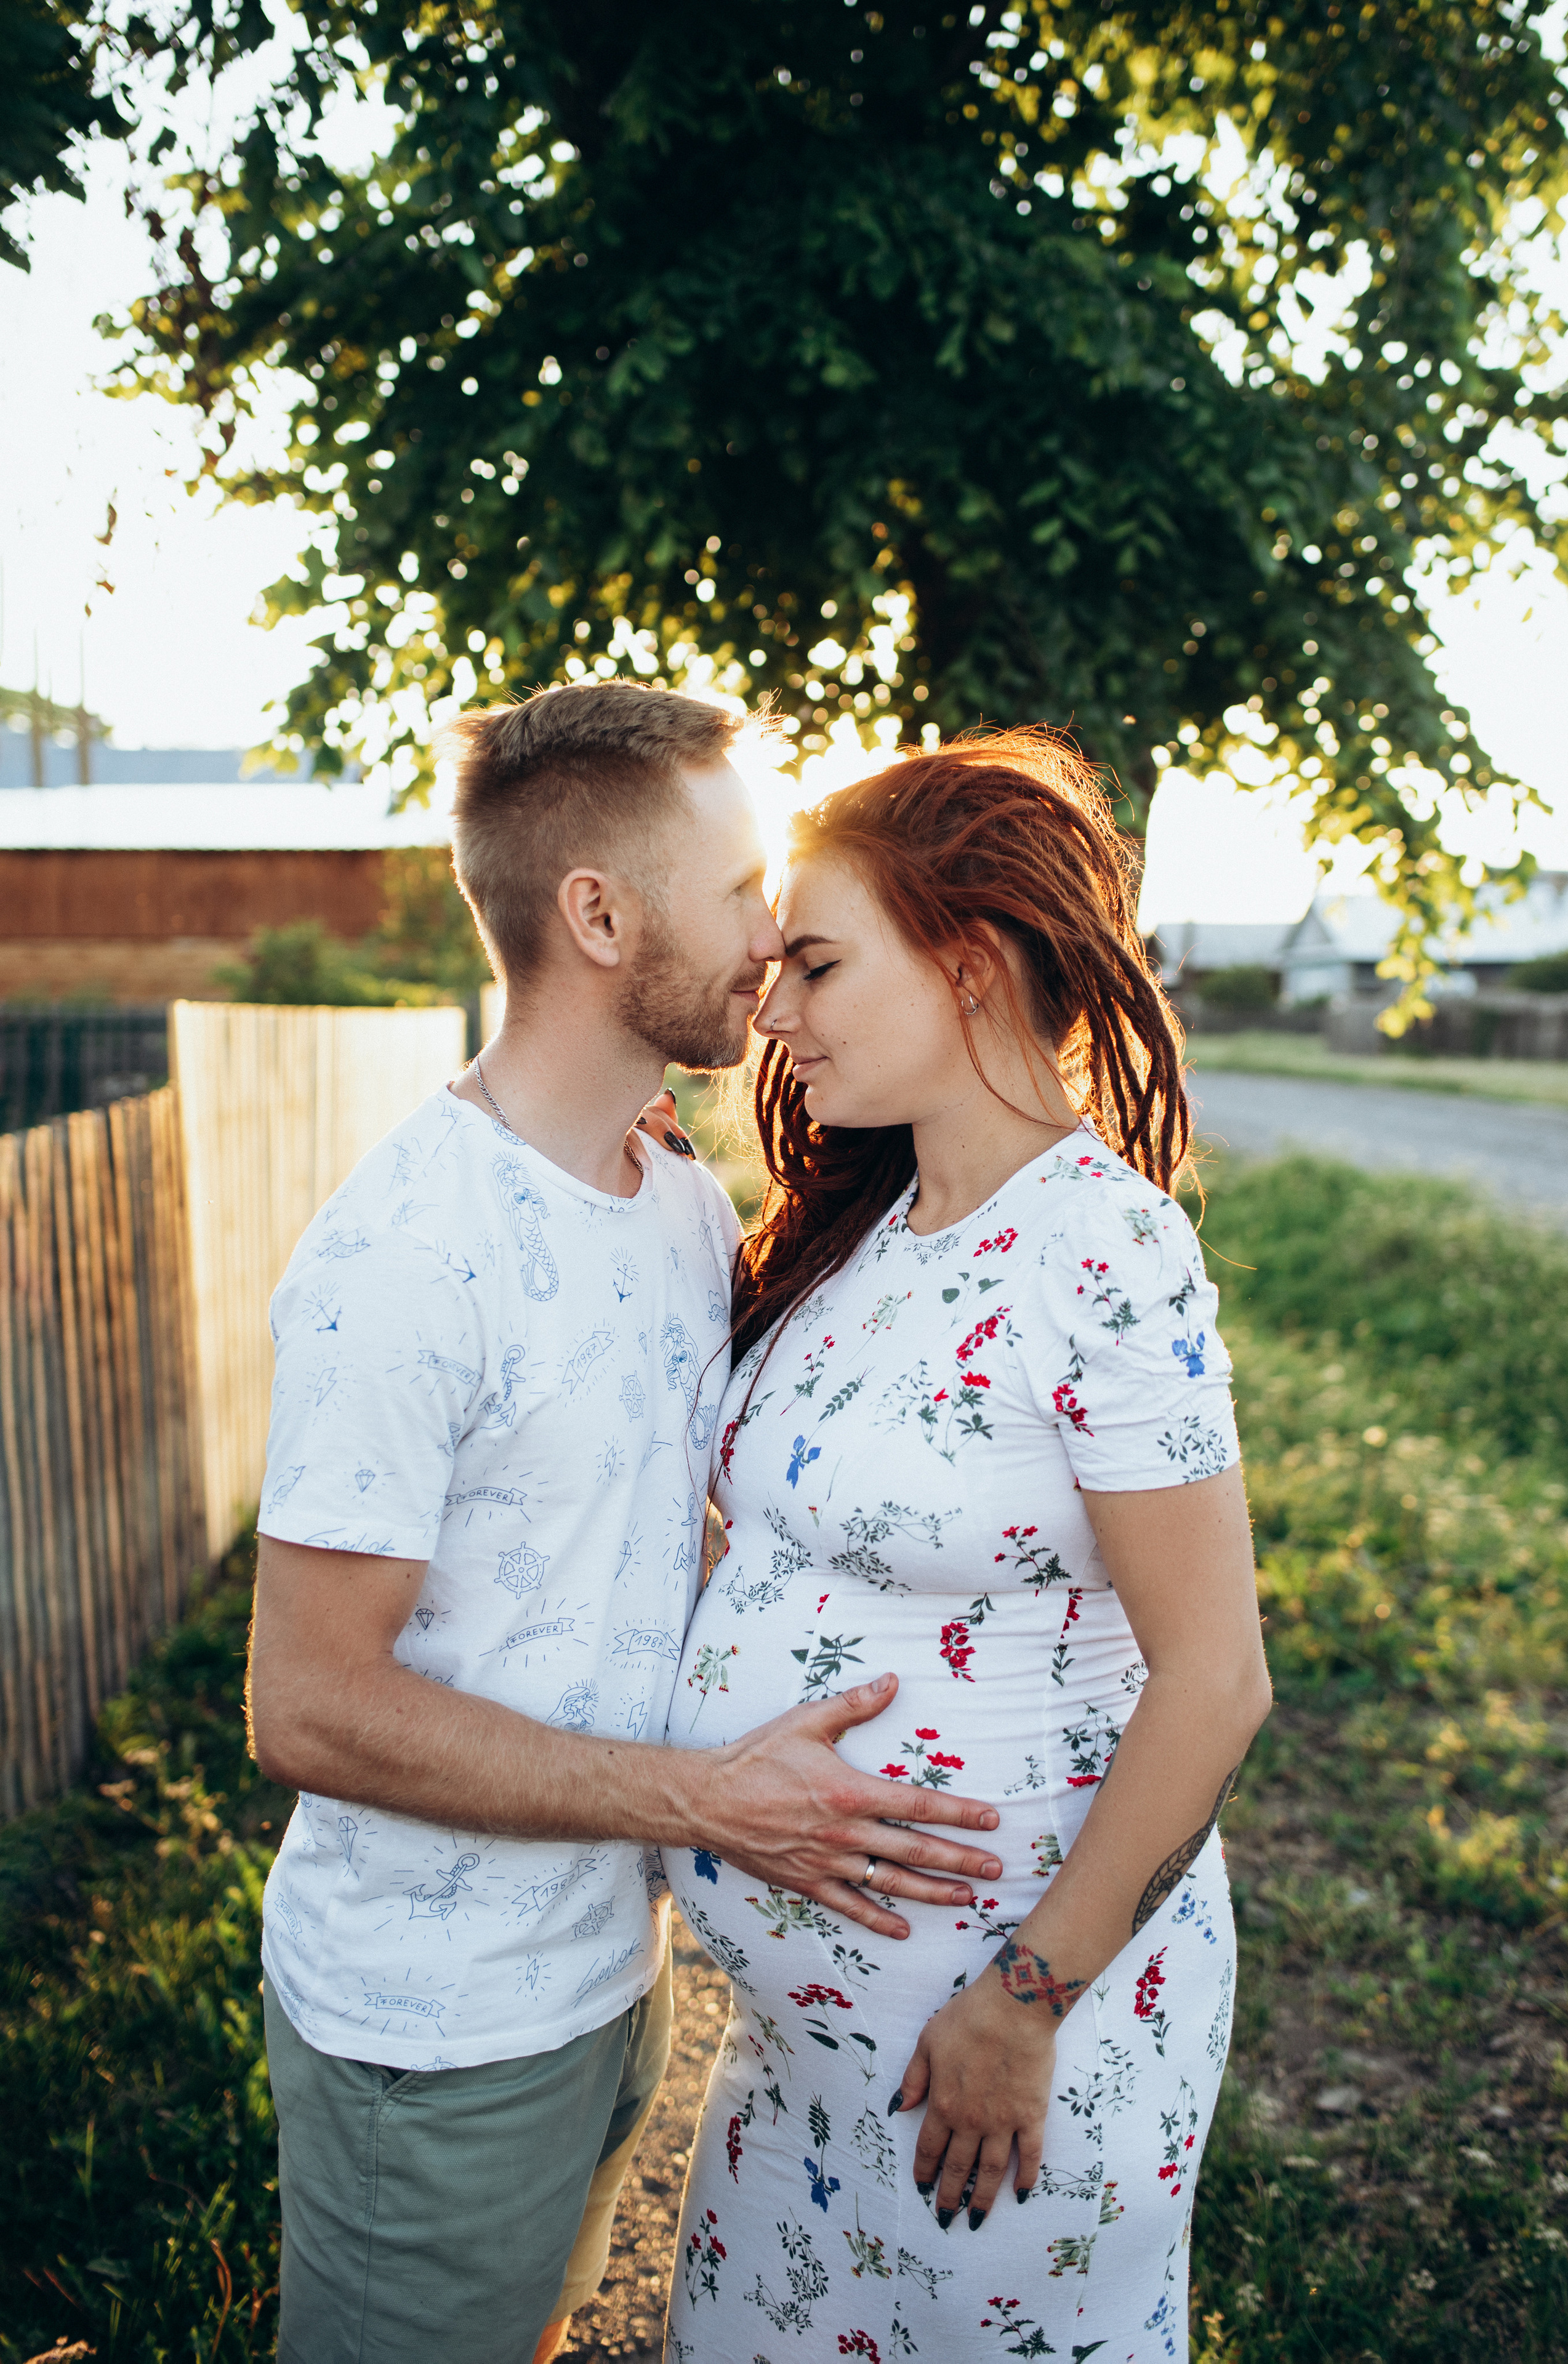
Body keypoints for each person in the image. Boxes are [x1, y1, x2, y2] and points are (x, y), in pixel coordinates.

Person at [246, 681, 1005, 2364]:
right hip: (433, 2035)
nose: (775, 927)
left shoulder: (671, 1200)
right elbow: (303, 1705)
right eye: (741, 887)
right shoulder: (400, 1261)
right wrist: (708, 1799)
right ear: (598, 913)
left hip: (609, 1974)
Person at [661, 730, 1273, 2363]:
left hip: (995, 2051)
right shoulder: (865, 1226)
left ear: (971, 964)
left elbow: (1217, 1680)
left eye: (815, 961)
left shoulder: (1107, 1250)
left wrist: (1024, 2002)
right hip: (797, 2056)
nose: (772, 1010)